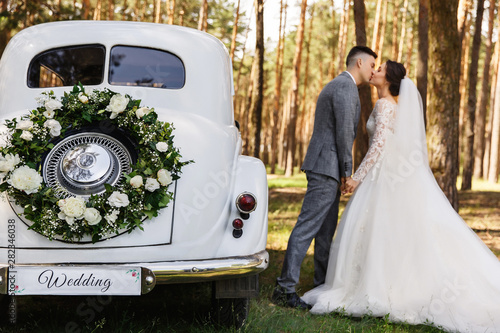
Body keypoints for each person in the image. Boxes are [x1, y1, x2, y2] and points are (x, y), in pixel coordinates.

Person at [302, 60, 500, 332]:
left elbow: (379, 145)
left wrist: (357, 178)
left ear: (388, 80)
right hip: (390, 175)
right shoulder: (390, 104)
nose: (375, 71)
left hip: (383, 177)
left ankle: (378, 287)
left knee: (380, 229)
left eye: (380, 69)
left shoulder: (385, 105)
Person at [272, 46, 377, 309]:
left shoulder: (344, 85)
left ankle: (321, 284)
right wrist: (346, 172)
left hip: (326, 166)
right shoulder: (345, 86)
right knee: (307, 226)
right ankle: (284, 290)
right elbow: (343, 133)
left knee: (325, 230)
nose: (373, 70)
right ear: (360, 62)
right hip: (326, 167)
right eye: (372, 65)